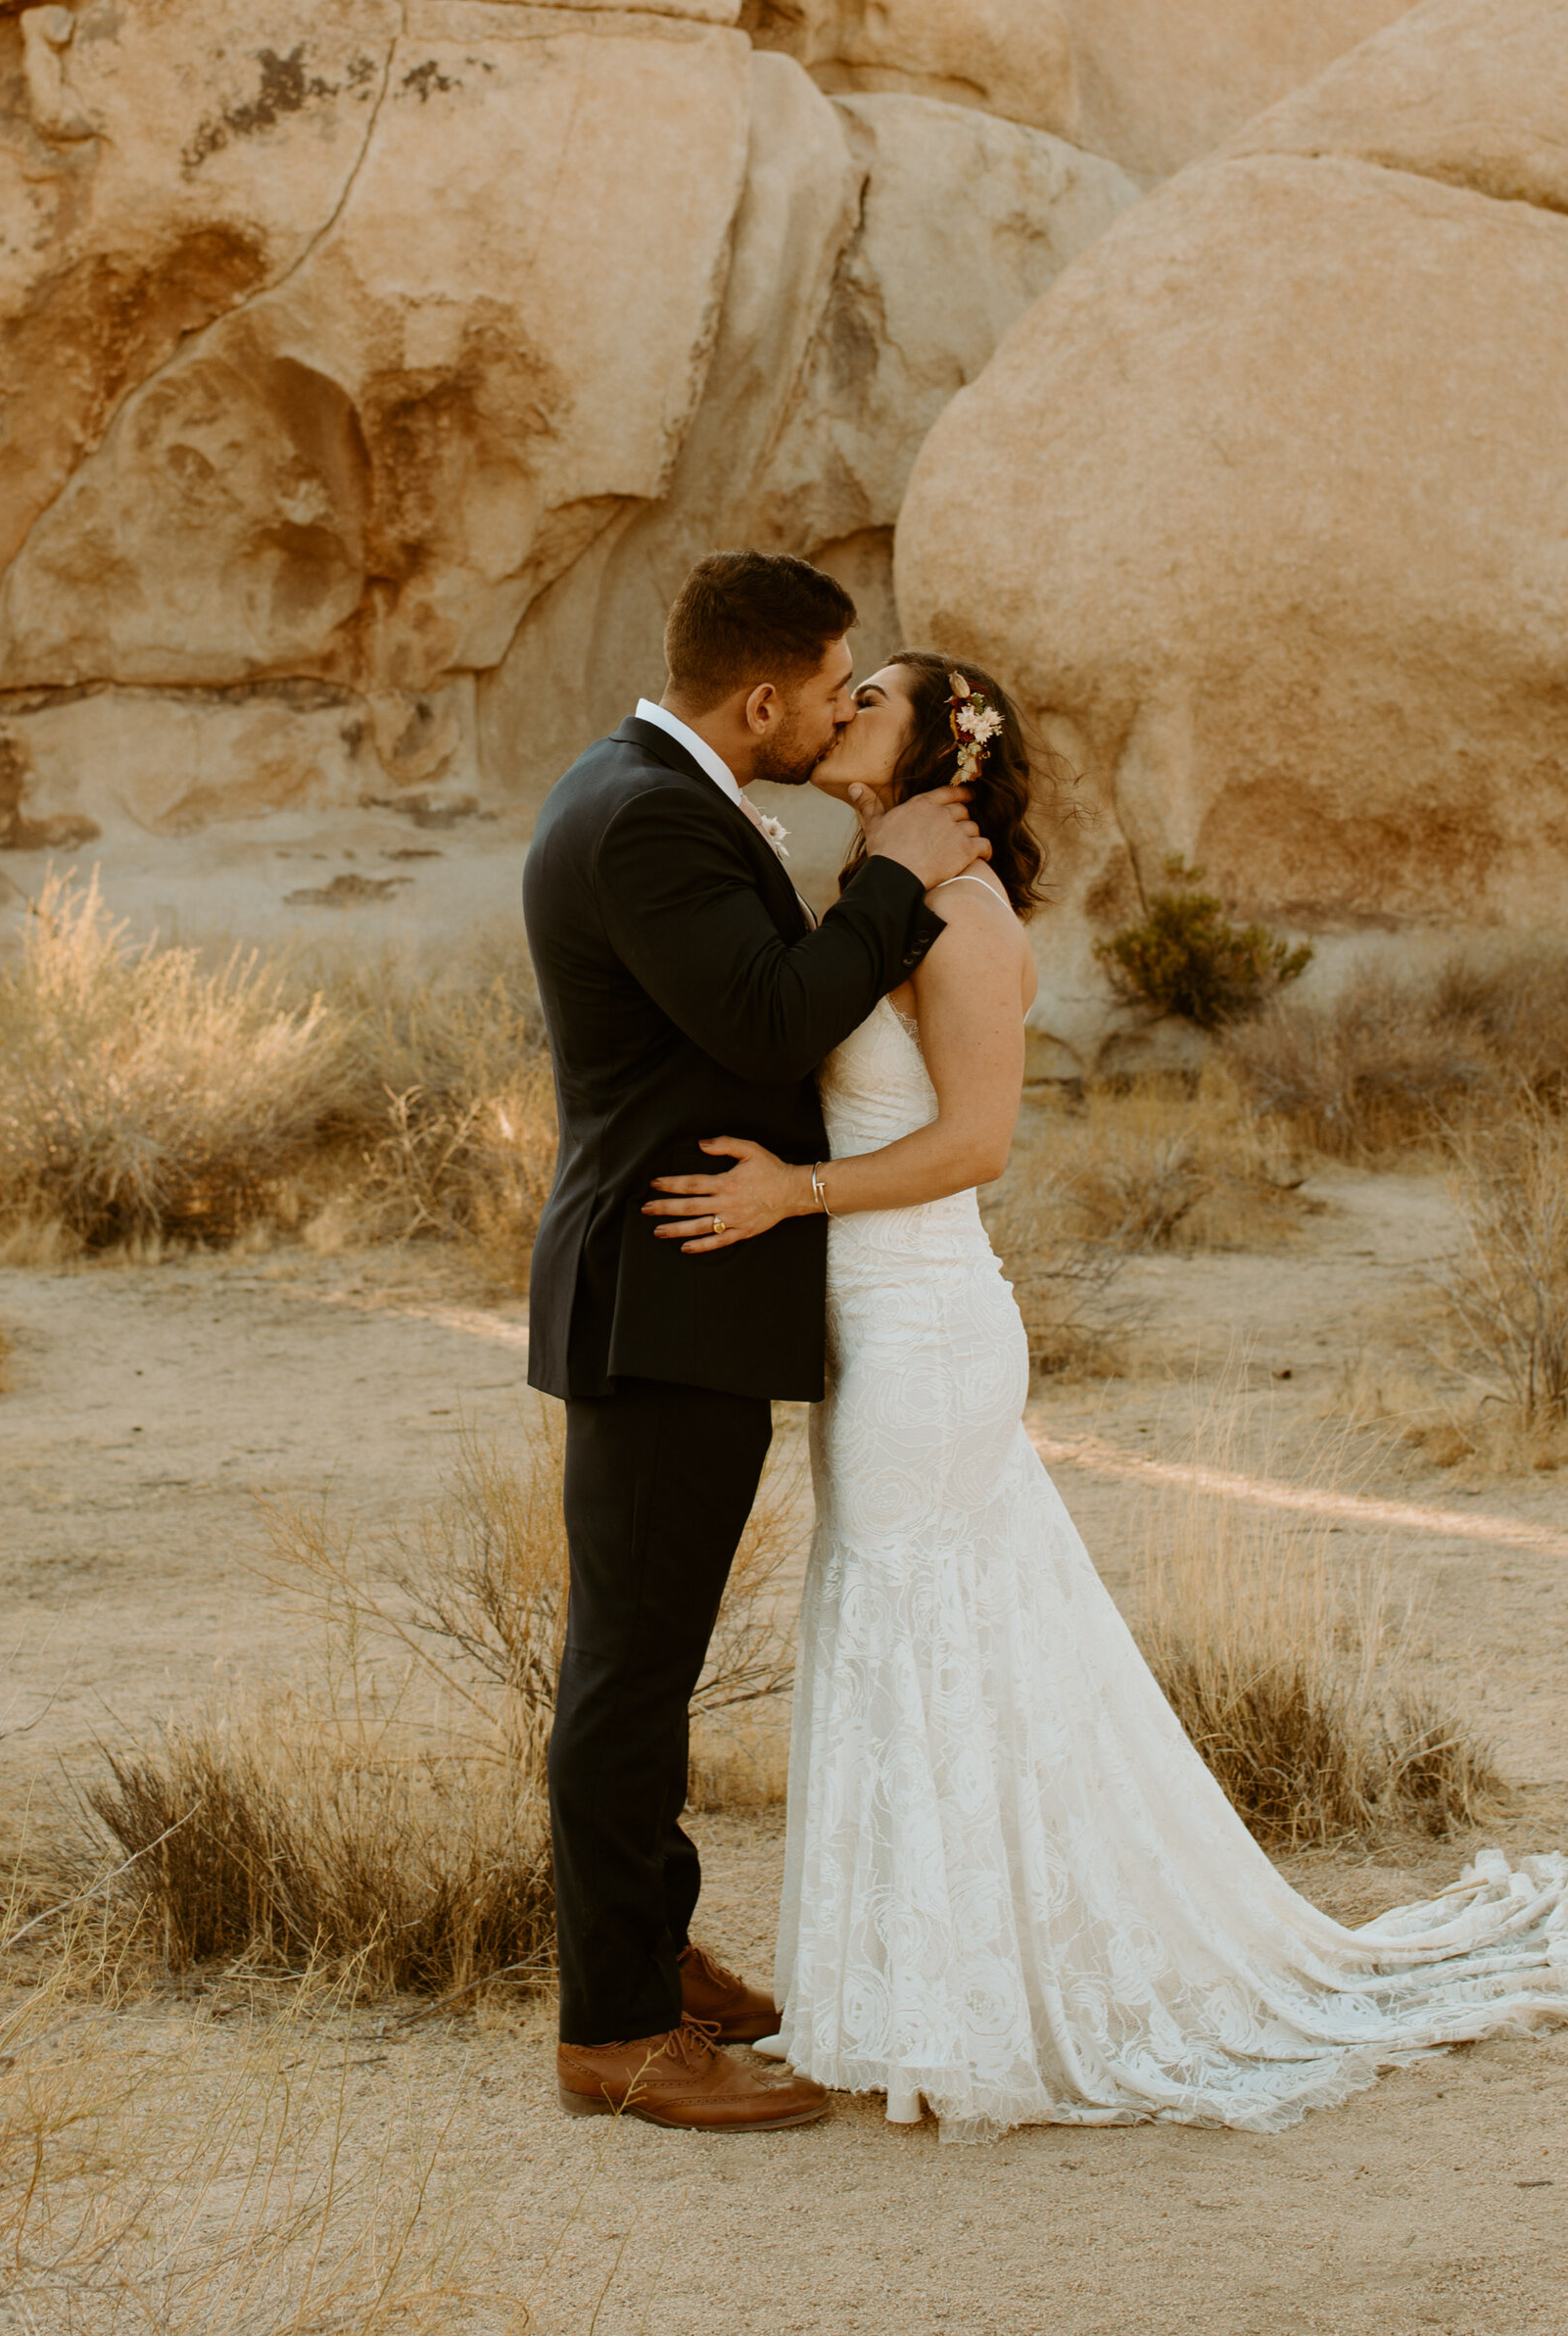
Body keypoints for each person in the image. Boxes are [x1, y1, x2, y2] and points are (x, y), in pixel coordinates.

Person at [645, 650, 1568, 2141]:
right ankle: (916, 1994)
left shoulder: (962, 911)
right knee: (897, 1635)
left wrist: (795, 1188)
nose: (842, 705)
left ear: (942, 751)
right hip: (868, 1326)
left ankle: (965, 2010)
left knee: (921, 1636)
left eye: (874, 697)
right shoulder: (870, 888)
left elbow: (978, 1141)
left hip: (927, 1323)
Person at [522, 552, 990, 2131]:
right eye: (833, 680)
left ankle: (649, 1949)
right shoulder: (651, 810)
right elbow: (774, 1019)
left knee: (640, 1660)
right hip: (668, 1297)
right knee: (630, 1675)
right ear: (765, 694)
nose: (843, 706)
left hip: (682, 1292)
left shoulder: (639, 784)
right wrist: (897, 876)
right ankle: (619, 2028)